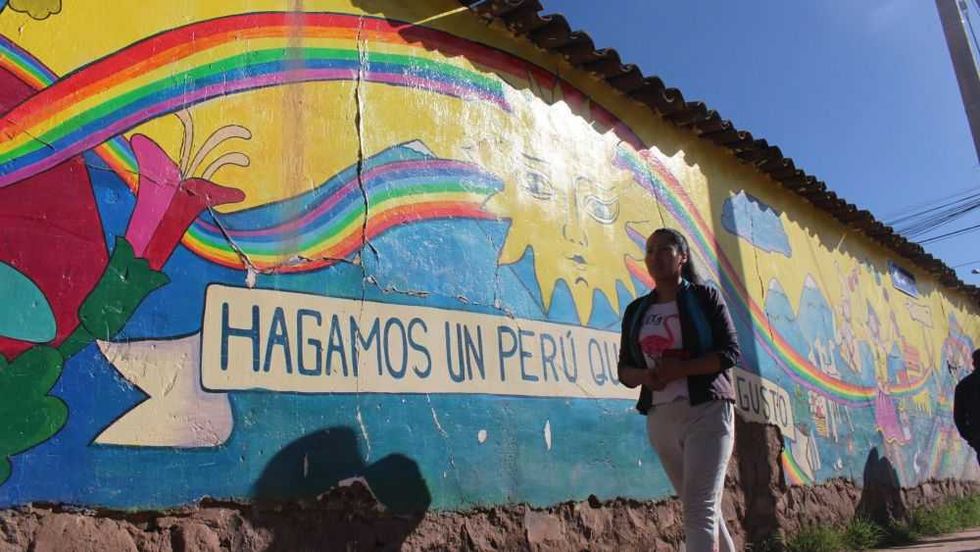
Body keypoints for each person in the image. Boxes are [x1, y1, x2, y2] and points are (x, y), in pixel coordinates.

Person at [618, 228, 740, 552]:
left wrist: (681, 369)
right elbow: (624, 371)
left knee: (698, 509)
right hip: (661, 418)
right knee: (702, 507)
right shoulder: (636, 311)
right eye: (649, 250)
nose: (654, 257)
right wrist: (646, 375)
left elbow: (729, 352)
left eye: (663, 249)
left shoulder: (705, 298)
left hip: (708, 411)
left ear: (682, 257)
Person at [953, 349, 980, 464]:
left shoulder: (963, 386)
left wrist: (972, 438)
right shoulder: (964, 386)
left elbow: (959, 418)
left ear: (974, 363)